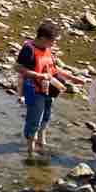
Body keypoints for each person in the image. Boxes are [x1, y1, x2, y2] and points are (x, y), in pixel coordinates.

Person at [16, 21, 77, 159]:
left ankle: (41, 140)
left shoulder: (47, 48)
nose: (54, 44)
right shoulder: (29, 49)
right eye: (53, 41)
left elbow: (54, 69)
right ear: (43, 38)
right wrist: (38, 75)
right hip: (35, 90)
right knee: (34, 118)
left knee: (47, 114)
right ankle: (30, 150)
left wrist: (73, 78)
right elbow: (18, 68)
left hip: (49, 89)